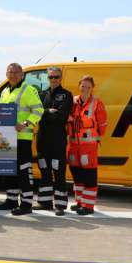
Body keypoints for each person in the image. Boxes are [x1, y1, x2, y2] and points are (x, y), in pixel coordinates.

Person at [0, 63, 44, 216]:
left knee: (23, 172)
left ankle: (27, 204)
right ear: (6, 74)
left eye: (16, 72)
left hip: (22, 138)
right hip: (7, 139)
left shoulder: (28, 89)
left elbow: (39, 110)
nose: (13, 75)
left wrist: (25, 124)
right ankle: (11, 201)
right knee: (9, 170)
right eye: (10, 72)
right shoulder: (4, 92)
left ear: (22, 75)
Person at [67, 75, 108, 215]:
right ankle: (79, 202)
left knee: (89, 176)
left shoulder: (97, 102)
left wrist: (92, 136)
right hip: (73, 145)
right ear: (79, 86)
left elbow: (103, 125)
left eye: (88, 87)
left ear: (92, 88)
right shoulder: (72, 101)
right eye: (83, 86)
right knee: (77, 176)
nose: (85, 89)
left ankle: (88, 206)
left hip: (88, 146)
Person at [35, 66, 73, 216]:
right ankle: (45, 202)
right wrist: (47, 111)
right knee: (44, 172)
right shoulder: (42, 94)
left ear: (61, 78)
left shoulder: (66, 95)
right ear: (47, 78)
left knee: (59, 173)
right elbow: (36, 114)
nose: (54, 80)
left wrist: (45, 114)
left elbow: (61, 116)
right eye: (51, 77)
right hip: (42, 141)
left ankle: (60, 205)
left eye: (56, 77)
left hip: (58, 142)